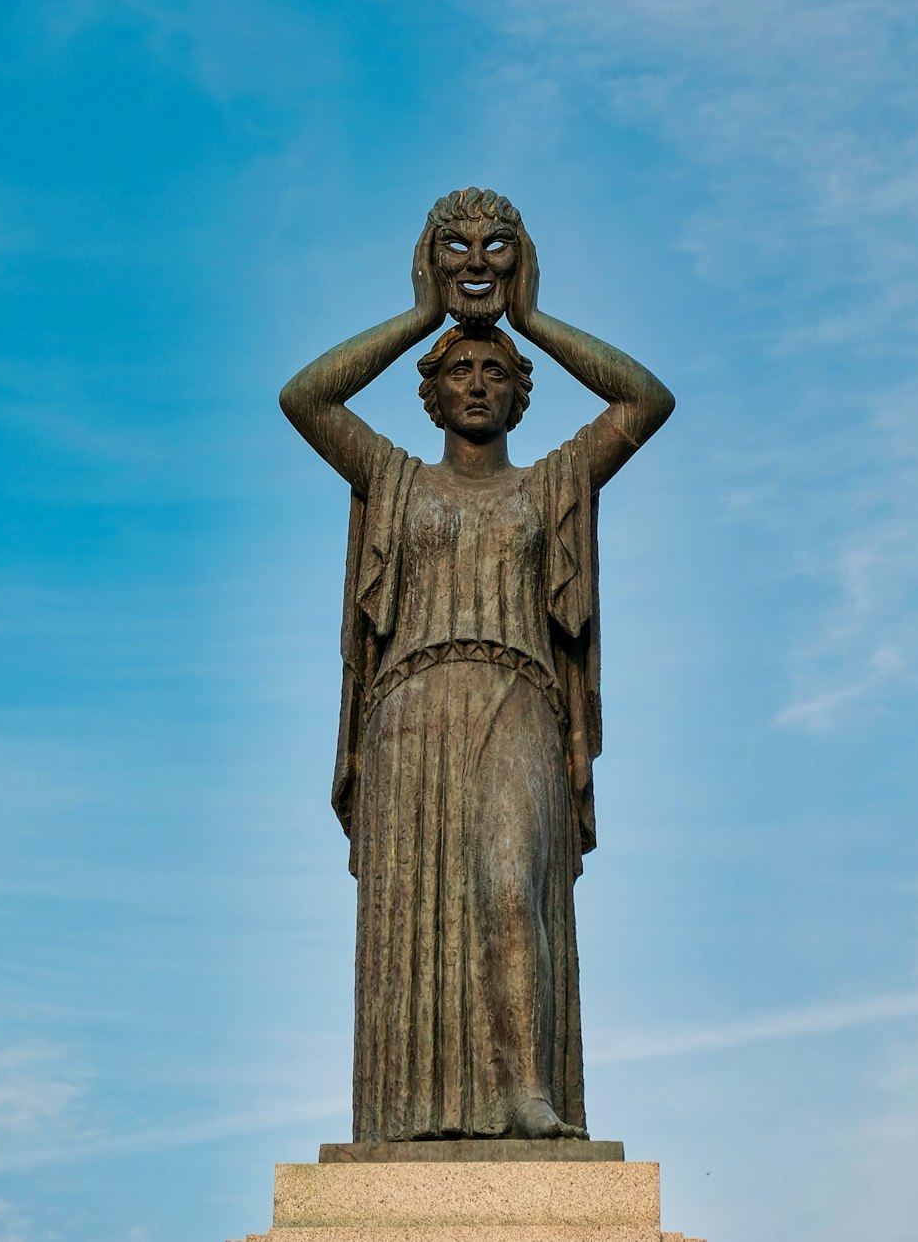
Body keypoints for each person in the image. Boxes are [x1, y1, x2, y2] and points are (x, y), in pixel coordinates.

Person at [279, 188, 674, 1142]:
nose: (478, 383)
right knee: (417, 927)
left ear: (519, 391)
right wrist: (424, 312)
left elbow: (644, 399)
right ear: (432, 389)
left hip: (517, 704)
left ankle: (528, 1094)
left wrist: (529, 316)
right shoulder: (393, 476)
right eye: (460, 370)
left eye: (497, 371)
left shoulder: (552, 483)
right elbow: (305, 396)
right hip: (410, 717)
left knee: (509, 892)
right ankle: (411, 1113)